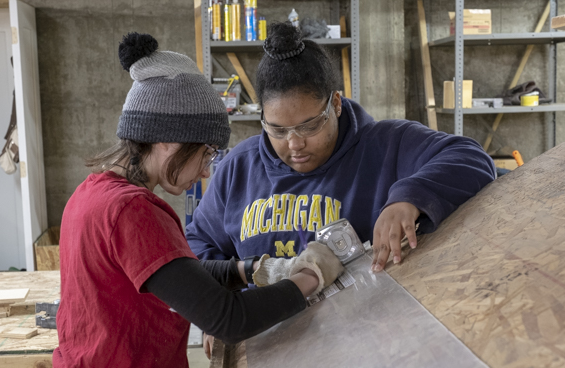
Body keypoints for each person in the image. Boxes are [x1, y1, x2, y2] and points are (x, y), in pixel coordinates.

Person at [46, 33, 344, 368]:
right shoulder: (133, 212)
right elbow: (229, 320)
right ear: (168, 139)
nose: (206, 172)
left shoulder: (92, 193)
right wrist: (309, 277)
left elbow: (174, 275)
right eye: (206, 154)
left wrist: (252, 270)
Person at [186, 21, 496, 272]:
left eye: (309, 126)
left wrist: (409, 199)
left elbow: (472, 158)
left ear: (335, 104)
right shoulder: (239, 167)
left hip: (364, 335)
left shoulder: (387, 144)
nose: (294, 144)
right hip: (267, 335)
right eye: (277, 130)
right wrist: (221, 304)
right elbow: (199, 242)